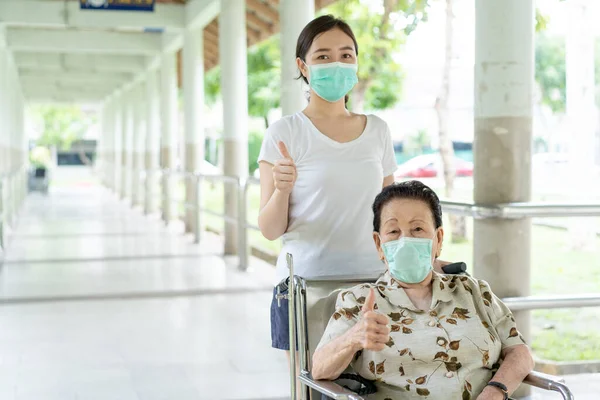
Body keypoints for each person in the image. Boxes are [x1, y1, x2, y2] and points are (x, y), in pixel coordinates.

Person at [311, 181, 534, 400]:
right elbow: (320, 369)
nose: (405, 240)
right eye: (394, 231)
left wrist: (494, 392)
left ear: (438, 239)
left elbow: (519, 353)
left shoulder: (475, 292)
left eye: (417, 229)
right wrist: (353, 338)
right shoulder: (358, 301)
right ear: (379, 245)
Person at [257, 14, 399, 357]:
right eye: (323, 56)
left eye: (346, 55)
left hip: (372, 287)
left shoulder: (377, 130)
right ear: (302, 66)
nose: (336, 64)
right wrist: (282, 190)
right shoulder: (284, 133)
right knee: (312, 389)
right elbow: (270, 229)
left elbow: (392, 217)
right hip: (308, 289)